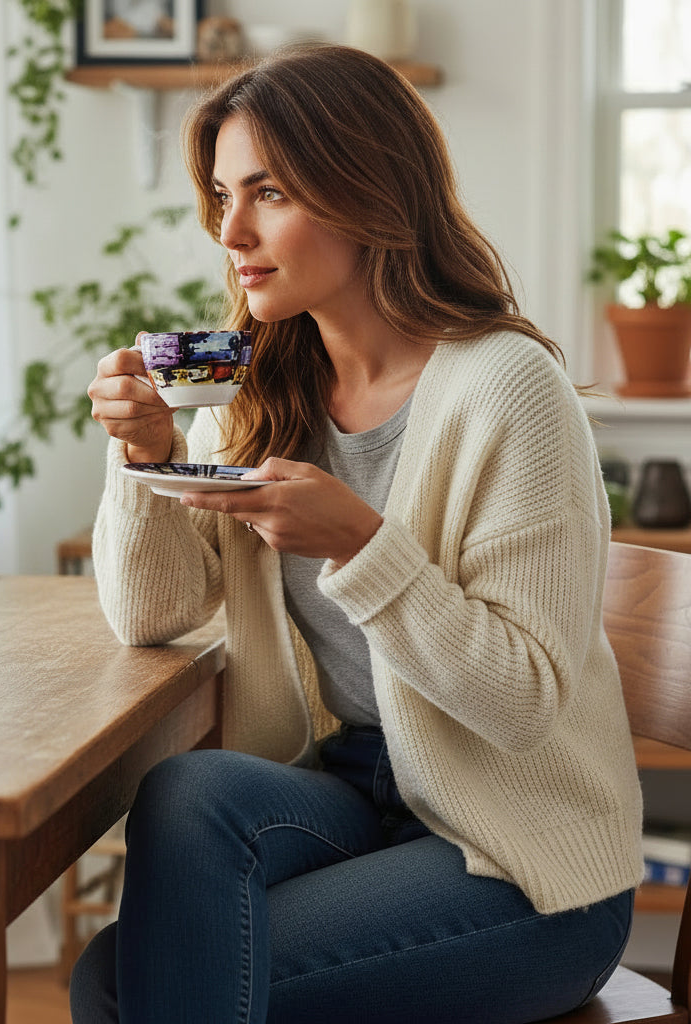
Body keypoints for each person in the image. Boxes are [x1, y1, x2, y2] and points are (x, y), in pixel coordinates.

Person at [73, 44, 644, 1024]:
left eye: (268, 192)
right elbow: (151, 613)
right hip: (353, 795)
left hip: (519, 856)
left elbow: (521, 704)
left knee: (142, 981)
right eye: (221, 194)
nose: (231, 228)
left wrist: (362, 547)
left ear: (366, 191)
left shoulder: (508, 390)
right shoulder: (254, 388)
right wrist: (144, 455)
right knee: (187, 796)